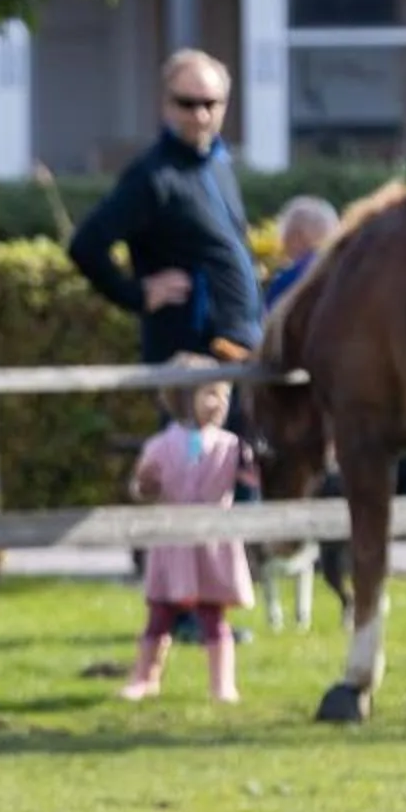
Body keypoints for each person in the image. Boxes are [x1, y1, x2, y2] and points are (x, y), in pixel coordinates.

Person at [70, 49, 264, 642]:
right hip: (186, 355)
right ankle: (178, 612)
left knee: (231, 487)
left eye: (211, 103)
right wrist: (137, 293)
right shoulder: (153, 176)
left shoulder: (218, 164)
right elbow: (87, 245)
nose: (200, 115)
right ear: (164, 105)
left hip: (235, 353)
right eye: (187, 103)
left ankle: (215, 612)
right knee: (185, 486)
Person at [118, 356, 257, 704]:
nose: (220, 403)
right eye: (210, 394)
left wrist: (256, 465)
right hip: (172, 543)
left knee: (214, 615)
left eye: (225, 395)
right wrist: (145, 487)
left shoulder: (233, 446)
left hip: (213, 545)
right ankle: (145, 676)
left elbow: (251, 483)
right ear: (183, 398)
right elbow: (142, 488)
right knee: (160, 614)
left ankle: (222, 683)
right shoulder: (160, 446)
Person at [264, 194, 339, 310]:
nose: (282, 242)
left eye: (285, 234)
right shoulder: (341, 270)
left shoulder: (288, 280)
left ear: (297, 236)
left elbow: (267, 322)